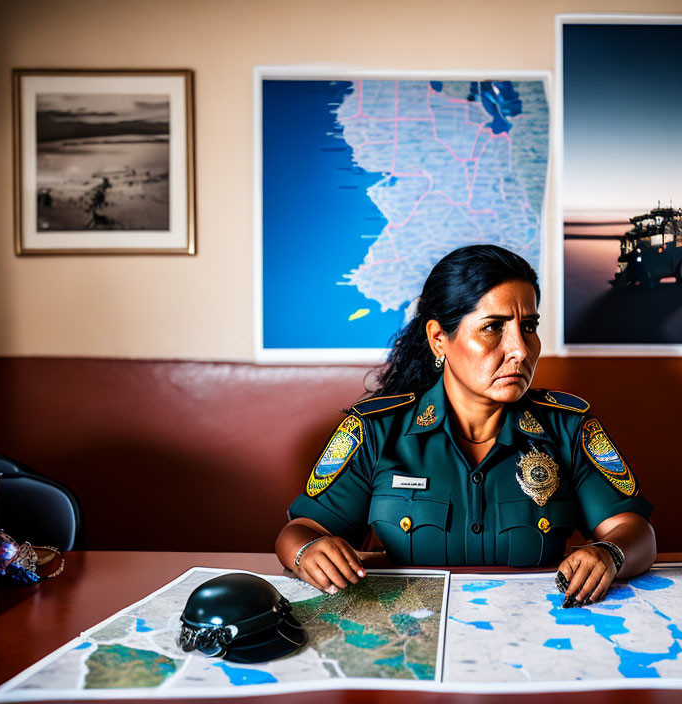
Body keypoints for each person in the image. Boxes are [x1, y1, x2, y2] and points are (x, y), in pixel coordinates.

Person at [275, 245, 656, 605]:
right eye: (493, 327)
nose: (520, 350)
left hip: (537, 636)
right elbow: (301, 531)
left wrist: (608, 553)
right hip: (415, 631)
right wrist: (309, 551)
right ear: (440, 339)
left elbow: (635, 531)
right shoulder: (377, 430)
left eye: (528, 326)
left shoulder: (567, 427)